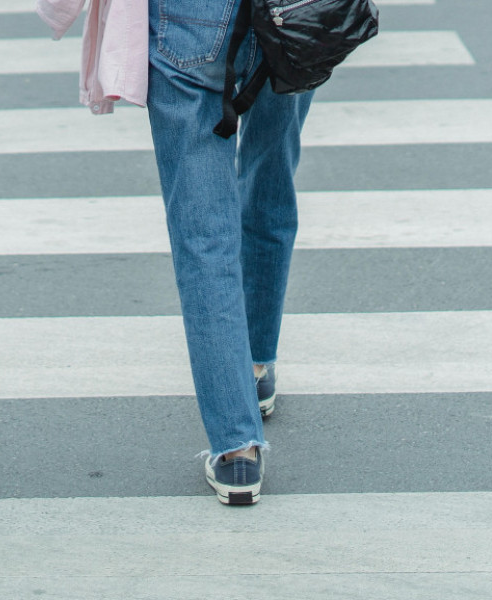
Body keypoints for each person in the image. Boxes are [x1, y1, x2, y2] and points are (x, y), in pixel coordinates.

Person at [145, 0, 313, 504]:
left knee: (203, 231)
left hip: (190, 14)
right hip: (294, 7)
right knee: (271, 172)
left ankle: (237, 449)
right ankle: (256, 365)